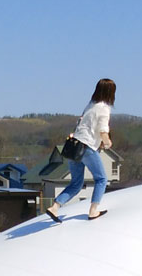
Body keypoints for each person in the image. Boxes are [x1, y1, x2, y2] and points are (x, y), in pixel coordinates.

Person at [46, 79, 115, 222]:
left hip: (74, 146)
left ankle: (54, 207)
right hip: (87, 147)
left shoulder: (91, 104)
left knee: (76, 183)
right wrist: (108, 143)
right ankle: (93, 211)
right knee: (101, 179)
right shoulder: (104, 108)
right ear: (110, 93)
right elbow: (103, 130)